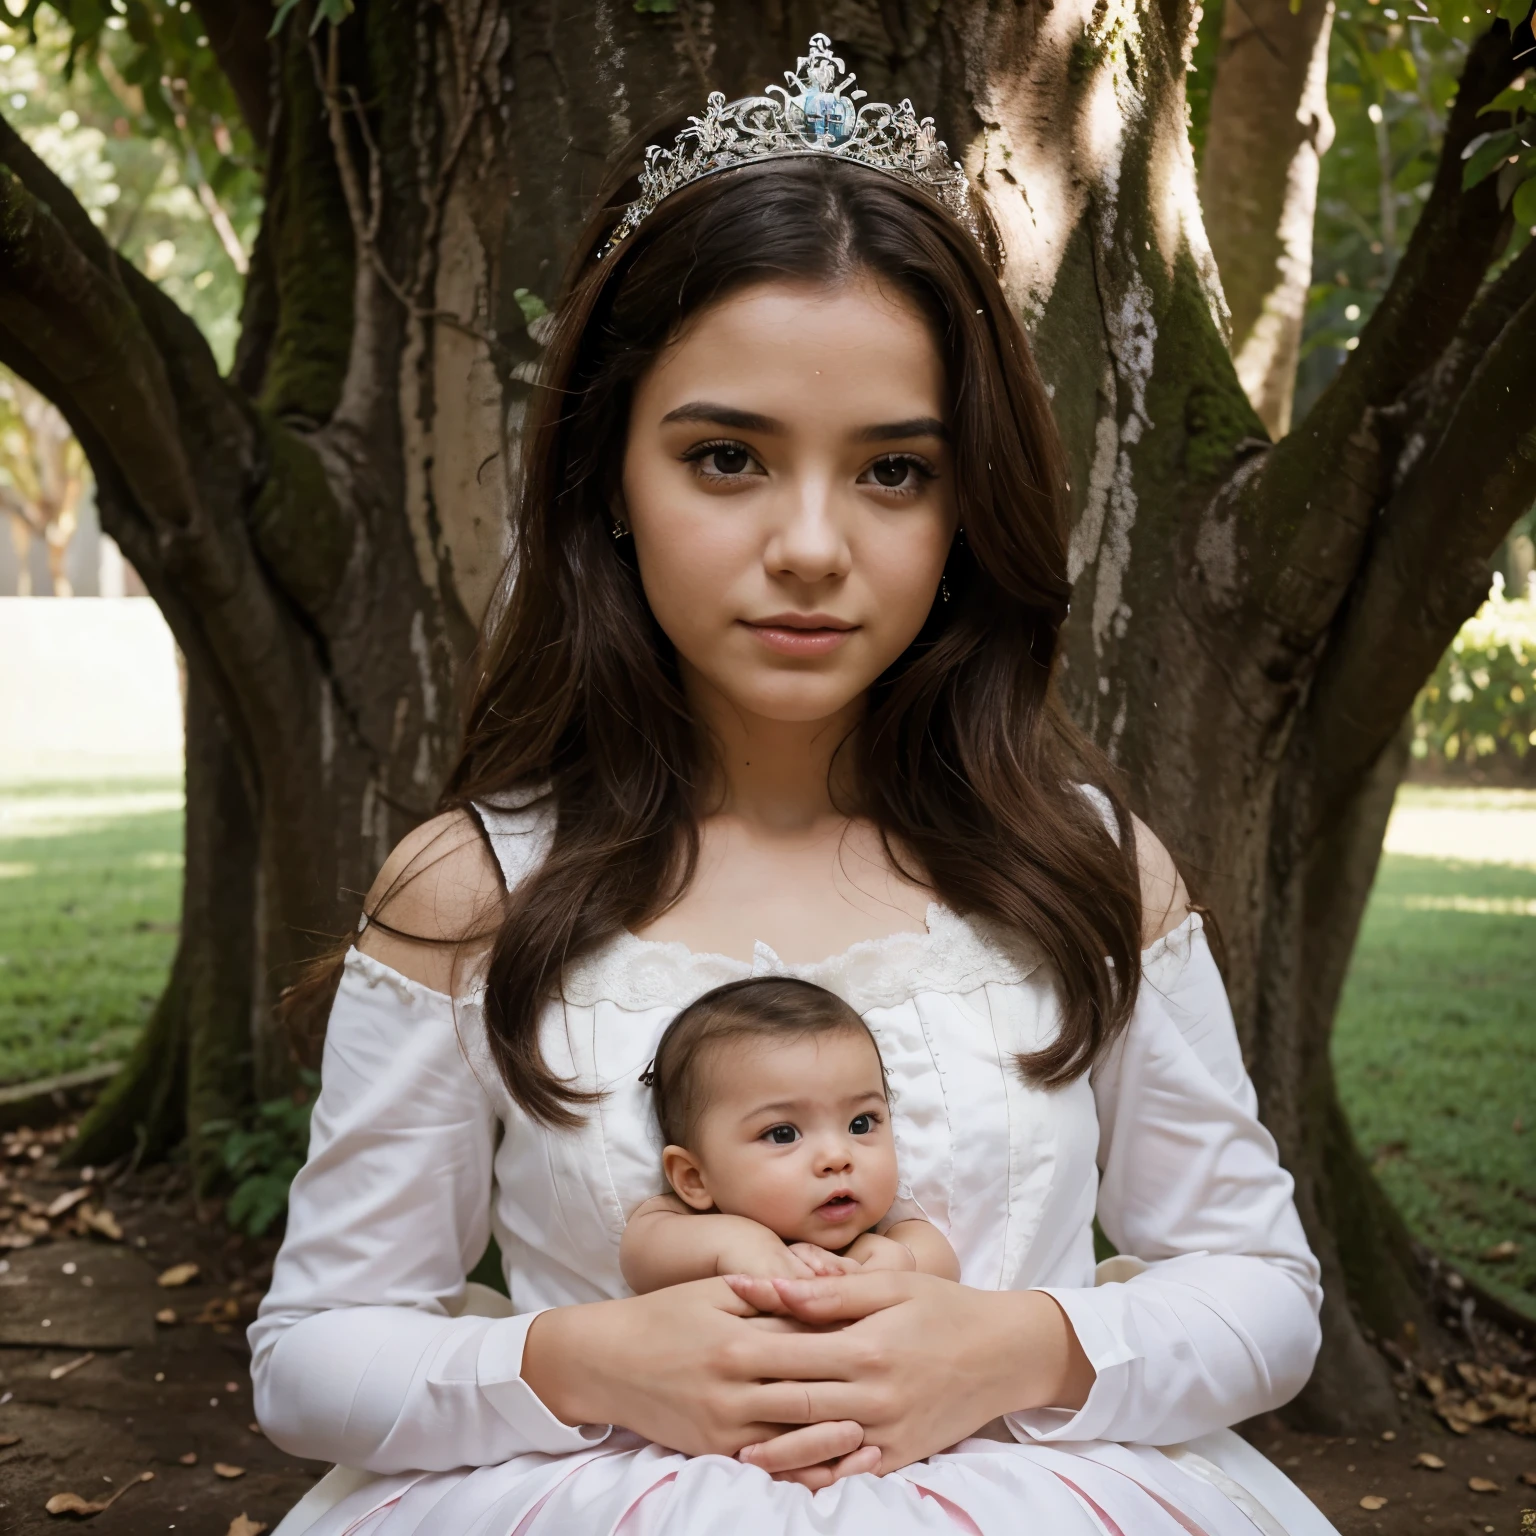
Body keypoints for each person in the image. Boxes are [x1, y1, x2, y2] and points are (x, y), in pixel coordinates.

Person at [251, 35, 1341, 1536]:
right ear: (608, 478)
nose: (815, 545)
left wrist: (1023, 1344)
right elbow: (314, 1354)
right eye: (726, 459)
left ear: (967, 505)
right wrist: (583, 1362)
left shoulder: (1084, 867)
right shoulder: (477, 892)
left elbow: (1264, 1292)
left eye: (893, 470)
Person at [619, 976, 962, 1292]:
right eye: (782, 1134)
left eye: (861, 1124)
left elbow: (943, 1263)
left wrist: (902, 1262)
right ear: (694, 1178)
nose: (837, 1157)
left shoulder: (888, 1231)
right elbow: (640, 1253)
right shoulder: (690, 1225)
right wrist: (738, 1243)